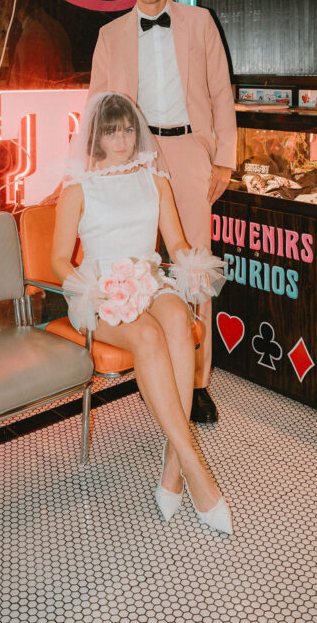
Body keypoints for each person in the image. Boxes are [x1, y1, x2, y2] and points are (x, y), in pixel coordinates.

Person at [51, 92, 232, 534]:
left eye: (129, 129)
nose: (123, 139)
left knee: (175, 319)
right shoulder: (77, 186)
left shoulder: (154, 179)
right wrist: (90, 290)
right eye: (112, 130)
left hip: (147, 277)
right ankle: (194, 466)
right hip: (100, 288)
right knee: (148, 337)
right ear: (96, 135)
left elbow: (175, 243)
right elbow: (58, 259)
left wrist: (193, 264)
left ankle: (174, 468)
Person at [88, 0, 237, 424]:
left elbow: (221, 92)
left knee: (192, 264)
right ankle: (149, 363)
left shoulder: (198, 22)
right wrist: (97, 170)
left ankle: (196, 382)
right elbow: (97, 105)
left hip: (189, 151)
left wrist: (224, 161)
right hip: (131, 158)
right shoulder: (110, 35)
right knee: (132, 264)